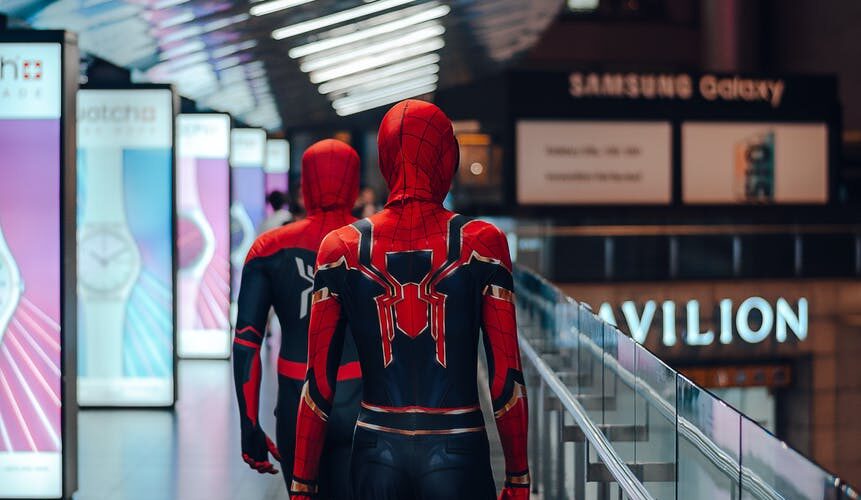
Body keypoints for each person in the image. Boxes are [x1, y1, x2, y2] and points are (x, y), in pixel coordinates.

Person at [291, 100, 530, 500]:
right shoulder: (482, 243)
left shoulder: (341, 248)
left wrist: (302, 485)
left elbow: (318, 383)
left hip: (375, 444)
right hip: (458, 443)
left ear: (385, 160)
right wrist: (518, 477)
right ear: (447, 157)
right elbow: (507, 379)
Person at [232, 139, 362, 499]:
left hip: (296, 399)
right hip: (362, 401)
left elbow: (246, 342)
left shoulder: (268, 248)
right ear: (353, 186)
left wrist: (249, 425)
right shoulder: (379, 243)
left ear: (305, 187)